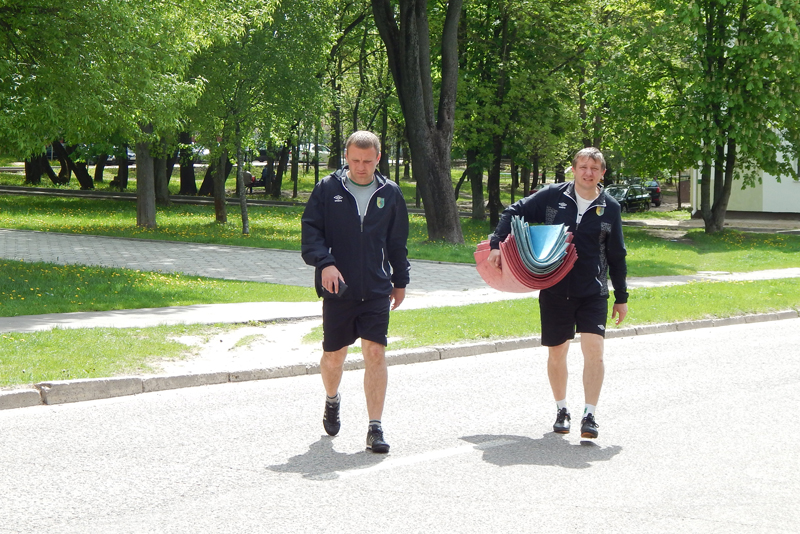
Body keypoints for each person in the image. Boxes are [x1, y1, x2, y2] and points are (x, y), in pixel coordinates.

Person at [486, 147, 628, 439]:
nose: (588, 173)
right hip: (555, 288)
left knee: (595, 353)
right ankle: (562, 410)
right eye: (583, 167)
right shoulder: (553, 197)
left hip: (593, 291)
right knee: (557, 352)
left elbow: (617, 254)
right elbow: (514, 211)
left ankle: (590, 415)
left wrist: (621, 297)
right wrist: (497, 243)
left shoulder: (610, 207)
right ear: (573, 169)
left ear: (602, 173)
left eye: (595, 168)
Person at [301, 130, 410, 453]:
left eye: (368, 161)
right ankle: (332, 399)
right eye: (355, 160)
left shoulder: (390, 193)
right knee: (334, 356)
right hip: (339, 289)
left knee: (375, 352)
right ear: (346, 157)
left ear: (378, 159)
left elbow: (397, 243)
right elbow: (311, 235)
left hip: (376, 288)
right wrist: (325, 264)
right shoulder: (328, 189)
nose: (361, 167)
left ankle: (375, 427)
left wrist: (400, 281)